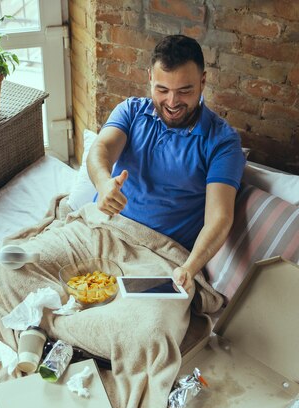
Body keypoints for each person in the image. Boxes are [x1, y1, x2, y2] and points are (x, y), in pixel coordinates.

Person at [86, 34, 245, 294]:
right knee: (16, 269)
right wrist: (104, 183)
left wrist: (189, 268)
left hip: (161, 256)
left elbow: (219, 217)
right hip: (102, 229)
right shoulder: (131, 111)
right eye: (162, 90)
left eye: (185, 91)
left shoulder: (222, 142)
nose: (172, 103)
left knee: (149, 327)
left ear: (203, 82)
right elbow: (101, 148)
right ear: (149, 78)